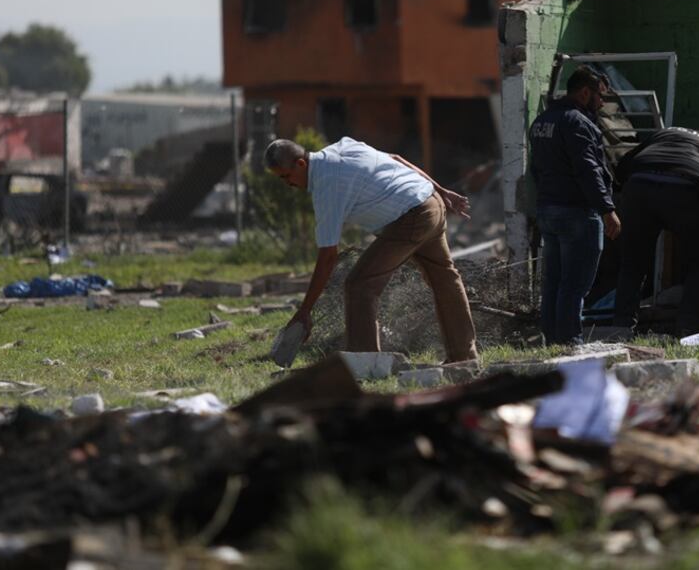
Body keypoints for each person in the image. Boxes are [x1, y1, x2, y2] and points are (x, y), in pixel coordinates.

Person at [265, 136, 478, 363]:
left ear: (300, 164)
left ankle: (366, 363)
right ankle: (464, 356)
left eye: (287, 177)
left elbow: (328, 256)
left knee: (359, 285)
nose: (288, 184)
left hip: (411, 218)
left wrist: (304, 311)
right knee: (445, 278)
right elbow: (396, 159)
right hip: (431, 201)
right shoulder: (343, 147)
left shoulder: (327, 185)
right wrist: (441, 190)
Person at [530, 66, 621, 345]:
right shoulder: (577, 122)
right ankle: (570, 341)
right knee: (574, 284)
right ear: (585, 92)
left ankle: (551, 340)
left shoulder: (543, 120)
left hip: (548, 210)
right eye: (599, 96)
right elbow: (588, 170)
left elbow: (536, 169)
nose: (602, 102)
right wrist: (608, 210)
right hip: (577, 213)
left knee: (554, 282)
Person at [612, 127, 699, 336]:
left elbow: (622, 168)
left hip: (638, 186)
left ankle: (621, 328)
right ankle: (687, 329)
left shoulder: (662, 134)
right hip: (687, 186)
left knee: (633, 264)